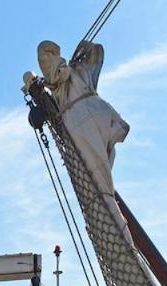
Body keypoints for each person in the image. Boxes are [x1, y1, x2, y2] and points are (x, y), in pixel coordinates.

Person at [33, 39, 130, 215]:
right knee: (102, 185)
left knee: (99, 189)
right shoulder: (78, 74)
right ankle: (113, 223)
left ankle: (111, 224)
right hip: (99, 115)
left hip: (83, 123)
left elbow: (54, 71)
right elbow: (93, 52)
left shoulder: (62, 76)